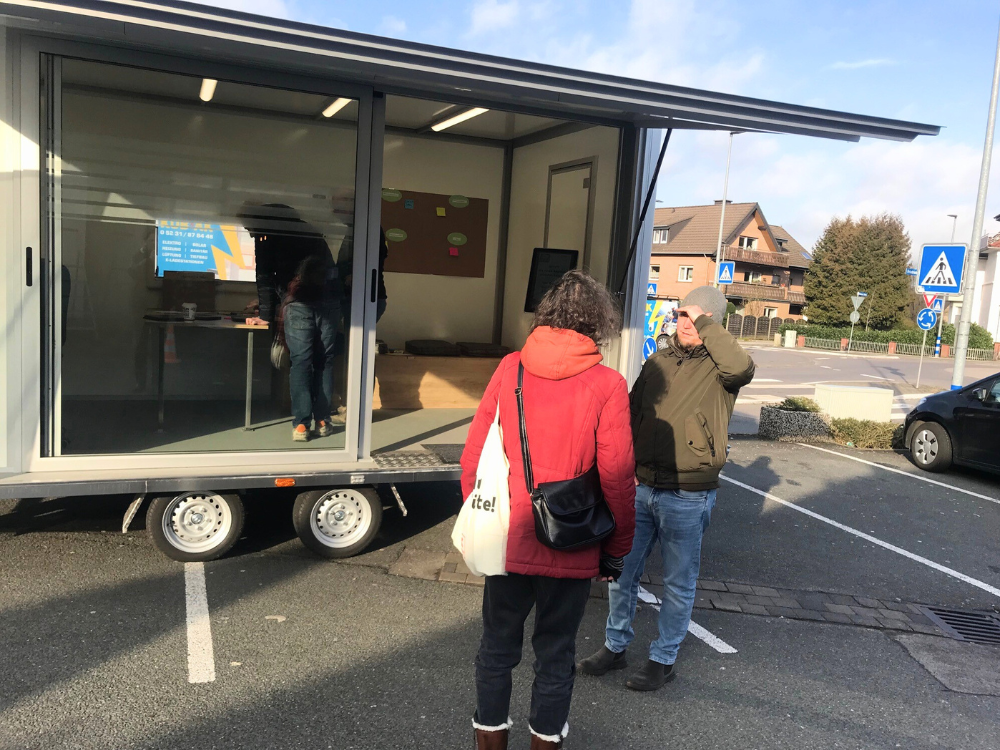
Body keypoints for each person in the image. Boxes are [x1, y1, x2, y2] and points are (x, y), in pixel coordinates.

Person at [460, 270, 636, 750]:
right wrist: (617, 549)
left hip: (508, 538)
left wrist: (482, 514)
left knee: (496, 651)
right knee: (556, 657)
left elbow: (473, 457)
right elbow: (618, 477)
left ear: (546, 313)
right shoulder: (608, 384)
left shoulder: (510, 368)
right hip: (573, 544)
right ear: (598, 321)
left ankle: (490, 744)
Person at [578, 285, 755, 691]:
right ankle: (615, 646)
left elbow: (742, 366)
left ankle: (663, 658)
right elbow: (632, 412)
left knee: (679, 580)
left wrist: (707, 322)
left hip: (688, 494)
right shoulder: (658, 360)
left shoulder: (722, 368)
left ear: (712, 322)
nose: (686, 323)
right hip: (642, 486)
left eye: (696, 317)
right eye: (682, 314)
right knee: (622, 572)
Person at [240, 203, 342, 441]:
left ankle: (301, 426)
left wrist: (265, 314)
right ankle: (323, 421)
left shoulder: (267, 237)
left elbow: (264, 276)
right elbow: (329, 269)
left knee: (301, 362)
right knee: (324, 361)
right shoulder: (311, 231)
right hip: (329, 301)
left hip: (298, 304)